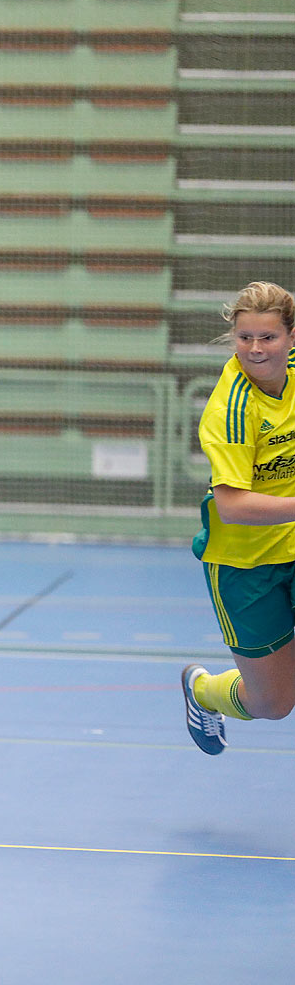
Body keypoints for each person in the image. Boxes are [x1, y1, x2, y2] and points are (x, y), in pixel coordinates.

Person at [183, 281, 295, 755]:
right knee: (273, 704)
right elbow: (232, 505)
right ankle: (202, 690)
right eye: (245, 337)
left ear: (291, 338)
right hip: (245, 568)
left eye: (267, 337)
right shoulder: (231, 409)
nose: (254, 348)